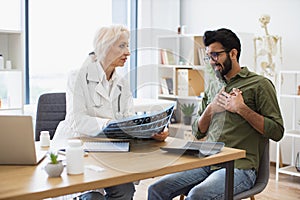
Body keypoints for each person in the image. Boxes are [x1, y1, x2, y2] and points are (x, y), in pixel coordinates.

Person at [147, 28, 284, 200]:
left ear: (233, 53)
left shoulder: (260, 85)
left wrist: (241, 108)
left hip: (239, 167)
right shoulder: (213, 86)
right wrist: (211, 109)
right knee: (156, 189)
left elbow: (277, 131)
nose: (212, 61)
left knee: (197, 196)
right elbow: (198, 132)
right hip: (206, 162)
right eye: (208, 56)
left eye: (216, 55)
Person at [53, 24, 169, 200]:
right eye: (122, 46)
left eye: (128, 46)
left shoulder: (122, 82)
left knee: (125, 191)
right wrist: (109, 124)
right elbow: (77, 121)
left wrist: (150, 132)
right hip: (79, 148)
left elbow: (128, 120)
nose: (128, 52)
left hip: (111, 150)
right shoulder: (77, 76)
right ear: (104, 47)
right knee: (92, 197)